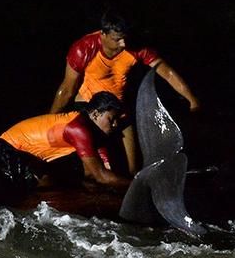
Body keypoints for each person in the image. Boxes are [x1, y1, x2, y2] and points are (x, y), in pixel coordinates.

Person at [49, 11, 200, 175]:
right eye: (117, 39)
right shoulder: (84, 48)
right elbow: (67, 89)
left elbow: (168, 73)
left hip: (118, 109)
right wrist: (50, 121)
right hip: (90, 108)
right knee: (98, 171)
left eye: (125, 38)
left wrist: (193, 101)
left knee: (133, 169)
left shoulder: (136, 47)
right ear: (103, 34)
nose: (123, 44)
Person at [0, 91, 130, 193]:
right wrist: (136, 185)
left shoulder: (93, 130)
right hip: (9, 149)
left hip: (29, 156)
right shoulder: (79, 129)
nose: (116, 125)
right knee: (29, 193)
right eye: (111, 119)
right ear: (95, 114)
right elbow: (101, 176)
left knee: (74, 184)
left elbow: (95, 173)